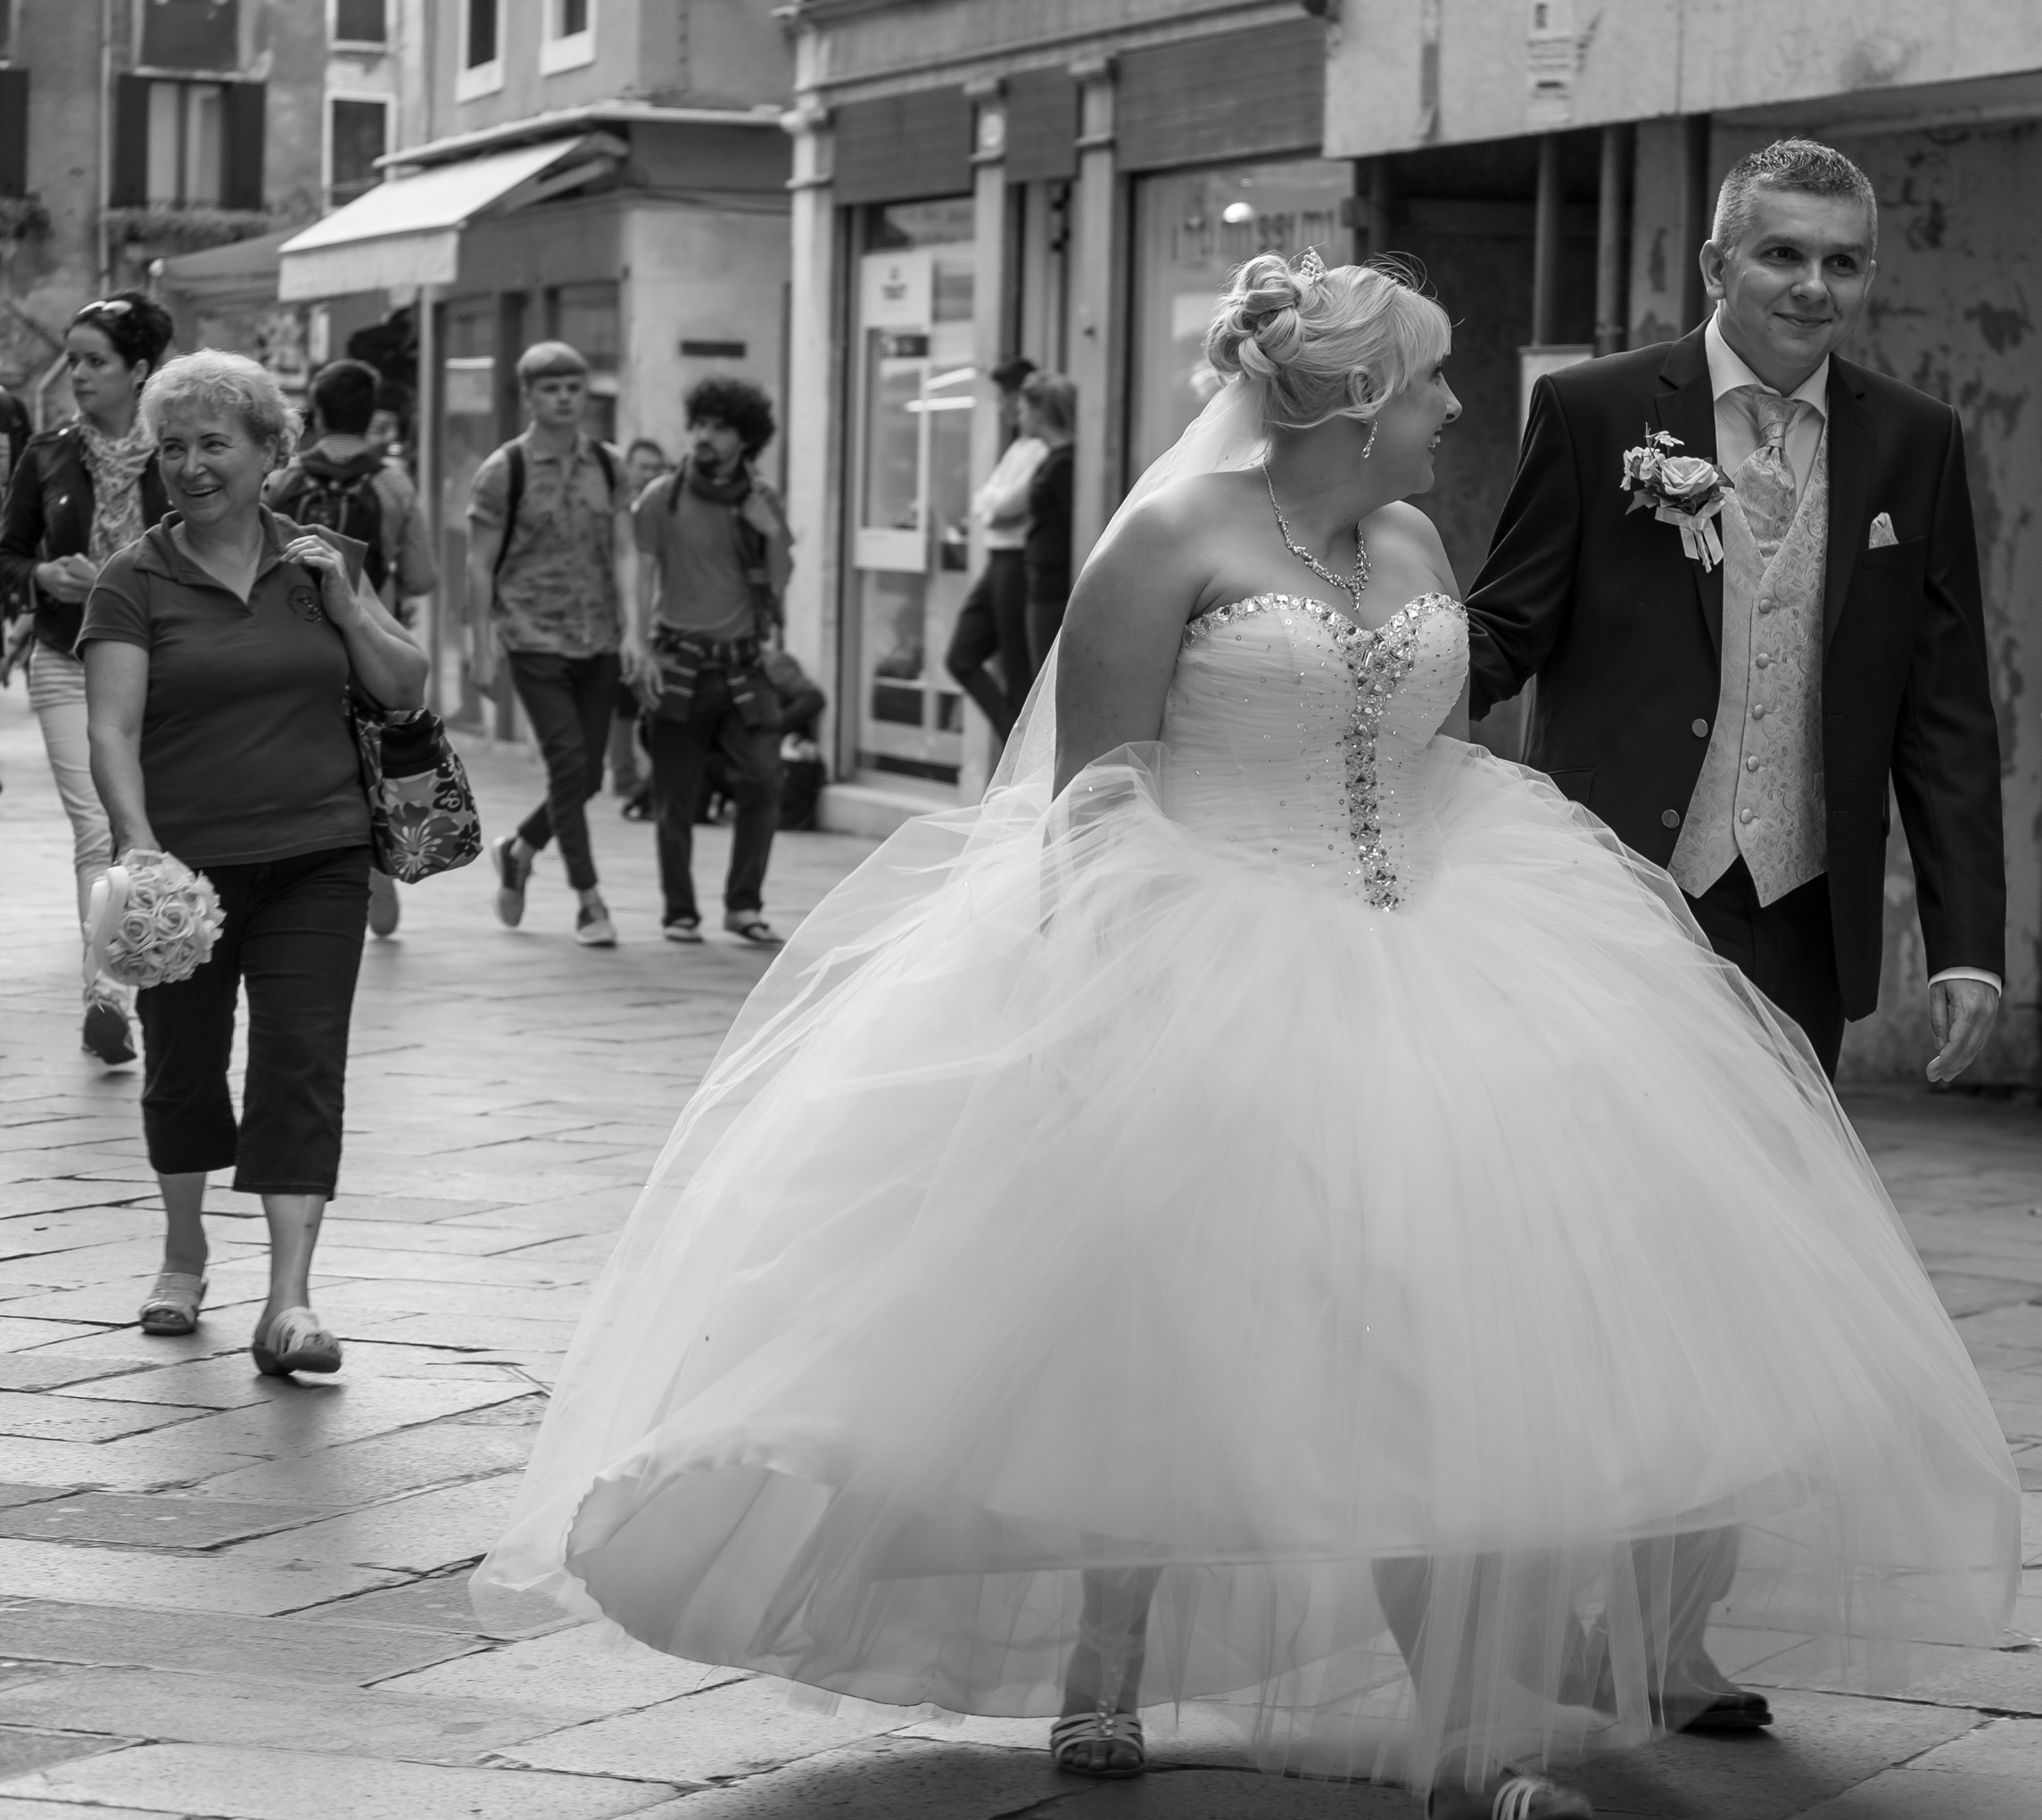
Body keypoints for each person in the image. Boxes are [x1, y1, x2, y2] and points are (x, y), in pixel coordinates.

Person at [479, 255, 2015, 1820]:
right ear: (1352, 401)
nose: (1451, 408)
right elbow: (1089, 801)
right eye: (1427, 382)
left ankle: (1459, 1726)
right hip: (1200, 948)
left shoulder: (1411, 534)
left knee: (1432, 1326)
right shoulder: (1160, 545)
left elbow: (1433, 742)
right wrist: (1105, 1004)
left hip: (1431, 942)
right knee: (1158, 1317)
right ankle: (1105, 1657)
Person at [1466, 138, 2003, 1088]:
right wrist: (1365, 669)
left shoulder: (1918, 439)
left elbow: (1945, 712)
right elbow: (1505, 631)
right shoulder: (1594, 411)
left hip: (1807, 910)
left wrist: (1966, 945)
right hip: (1615, 890)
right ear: (1718, 265)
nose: (1813, 288)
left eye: (1842, 263)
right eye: (1783, 255)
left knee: (1781, 1202)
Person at [79, 351, 428, 1374]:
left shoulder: (327, 560)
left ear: (270, 453)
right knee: (185, 1065)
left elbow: (404, 689)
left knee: (303, 1066)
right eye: (173, 446)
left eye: (213, 445)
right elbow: (110, 731)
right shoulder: (134, 579)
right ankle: (184, 1249)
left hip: (320, 854)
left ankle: (290, 1303)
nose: (190, 465)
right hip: (186, 871)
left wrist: (348, 602)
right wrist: (138, 845)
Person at [0, 293, 174, 1066]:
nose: (76, 373)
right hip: (68, 660)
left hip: (169, 668)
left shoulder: (183, 451)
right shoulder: (47, 454)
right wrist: (44, 573)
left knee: (160, 823)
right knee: (97, 829)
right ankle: (105, 995)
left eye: (94, 360)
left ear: (139, 370)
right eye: (72, 357)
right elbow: (5, 555)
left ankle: (171, 957)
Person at [467, 341, 637, 947]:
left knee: (587, 776)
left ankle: (519, 849)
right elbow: (480, 564)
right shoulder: (502, 470)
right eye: (551, 388)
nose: (565, 398)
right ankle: (590, 901)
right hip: (532, 635)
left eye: (573, 387)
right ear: (529, 396)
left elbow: (623, 550)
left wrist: (635, 629)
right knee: (569, 763)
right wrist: (481, 646)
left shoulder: (611, 465)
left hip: (600, 637)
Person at [268, 357, 440, 939]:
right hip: (368, 639)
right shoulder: (391, 484)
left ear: (316, 410)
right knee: (369, 756)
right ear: (372, 414)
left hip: (292, 639)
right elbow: (421, 577)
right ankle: (374, 854)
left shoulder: (282, 479)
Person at [629, 377, 793, 947]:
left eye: (719, 427)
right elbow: (641, 578)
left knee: (766, 777)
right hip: (680, 662)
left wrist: (771, 534)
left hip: (744, 667)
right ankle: (680, 910)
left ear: (746, 437)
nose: (704, 436)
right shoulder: (661, 498)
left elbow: (779, 582)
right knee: (674, 793)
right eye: (699, 424)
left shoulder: (761, 500)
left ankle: (742, 905)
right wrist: (639, 648)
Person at [945, 356, 1044, 740]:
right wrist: (993, 510)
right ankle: (1011, 733)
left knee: (1018, 665)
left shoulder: (1039, 450)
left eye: (1008, 399)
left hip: (1016, 562)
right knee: (960, 656)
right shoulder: (1019, 447)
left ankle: (1019, 744)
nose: (1004, 408)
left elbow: (1005, 506)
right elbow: (983, 504)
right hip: (998, 560)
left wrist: (993, 509)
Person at [608, 437, 672, 804]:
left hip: (659, 616)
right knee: (626, 700)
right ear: (629, 468)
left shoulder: (663, 510)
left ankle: (641, 774)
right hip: (623, 618)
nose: (649, 473)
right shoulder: (622, 514)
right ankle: (624, 774)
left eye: (656, 467)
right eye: (643, 466)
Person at [1020, 372, 1077, 673]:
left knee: (1045, 676)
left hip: (1054, 587)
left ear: (1039, 412)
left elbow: (1075, 525)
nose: (1019, 417)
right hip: (1044, 580)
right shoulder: (1054, 460)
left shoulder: (1063, 465)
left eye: (1023, 409)